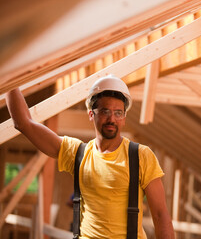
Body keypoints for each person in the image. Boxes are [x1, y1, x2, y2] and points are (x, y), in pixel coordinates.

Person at [6, 74, 175, 239]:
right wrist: (9, 73)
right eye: (105, 111)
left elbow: (161, 216)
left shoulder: (140, 156)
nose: (112, 119)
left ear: (124, 118)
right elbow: (23, 122)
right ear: (91, 114)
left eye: (118, 113)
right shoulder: (77, 153)